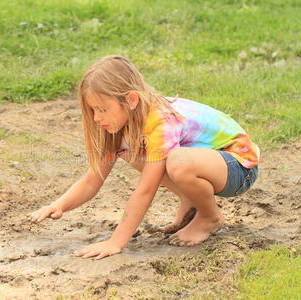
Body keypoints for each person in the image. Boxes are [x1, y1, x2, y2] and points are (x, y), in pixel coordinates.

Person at [27, 55, 260, 260]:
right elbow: (92, 180)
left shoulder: (160, 121)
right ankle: (190, 201)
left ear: (131, 100)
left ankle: (209, 217)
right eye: (93, 110)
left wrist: (116, 242)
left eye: (102, 109)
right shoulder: (119, 128)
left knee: (177, 160)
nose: (97, 118)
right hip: (208, 164)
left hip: (238, 166)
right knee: (136, 154)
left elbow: (145, 190)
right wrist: (59, 205)